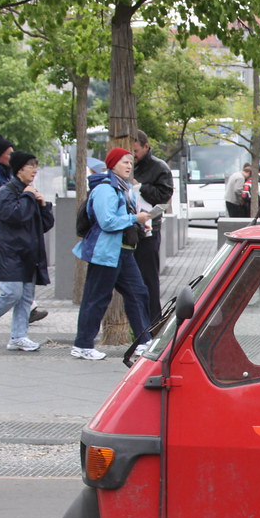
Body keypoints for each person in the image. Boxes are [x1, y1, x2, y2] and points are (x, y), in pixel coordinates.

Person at [71, 148, 153, 361]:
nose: (128, 166)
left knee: (138, 293)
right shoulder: (105, 189)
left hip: (124, 252)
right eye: (124, 162)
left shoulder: (124, 188)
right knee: (96, 298)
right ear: (112, 164)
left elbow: (124, 218)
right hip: (105, 252)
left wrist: (140, 225)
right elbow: (106, 222)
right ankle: (82, 345)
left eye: (130, 162)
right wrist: (135, 220)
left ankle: (144, 342)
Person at [0, 152, 54, 352]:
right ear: (19, 169)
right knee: (12, 292)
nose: (35, 170)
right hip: (9, 252)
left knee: (26, 296)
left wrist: (43, 206)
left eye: (36, 165)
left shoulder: (30, 192)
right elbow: (14, 215)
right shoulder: (6, 192)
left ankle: (18, 336)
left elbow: (44, 225)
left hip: (28, 253)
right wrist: (28, 195)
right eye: (31, 166)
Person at [131, 130, 174, 324]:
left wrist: (140, 186)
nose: (133, 156)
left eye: (136, 151)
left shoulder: (158, 167)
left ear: (146, 146)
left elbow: (164, 196)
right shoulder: (130, 165)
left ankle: (153, 321)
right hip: (129, 228)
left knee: (148, 278)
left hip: (148, 230)